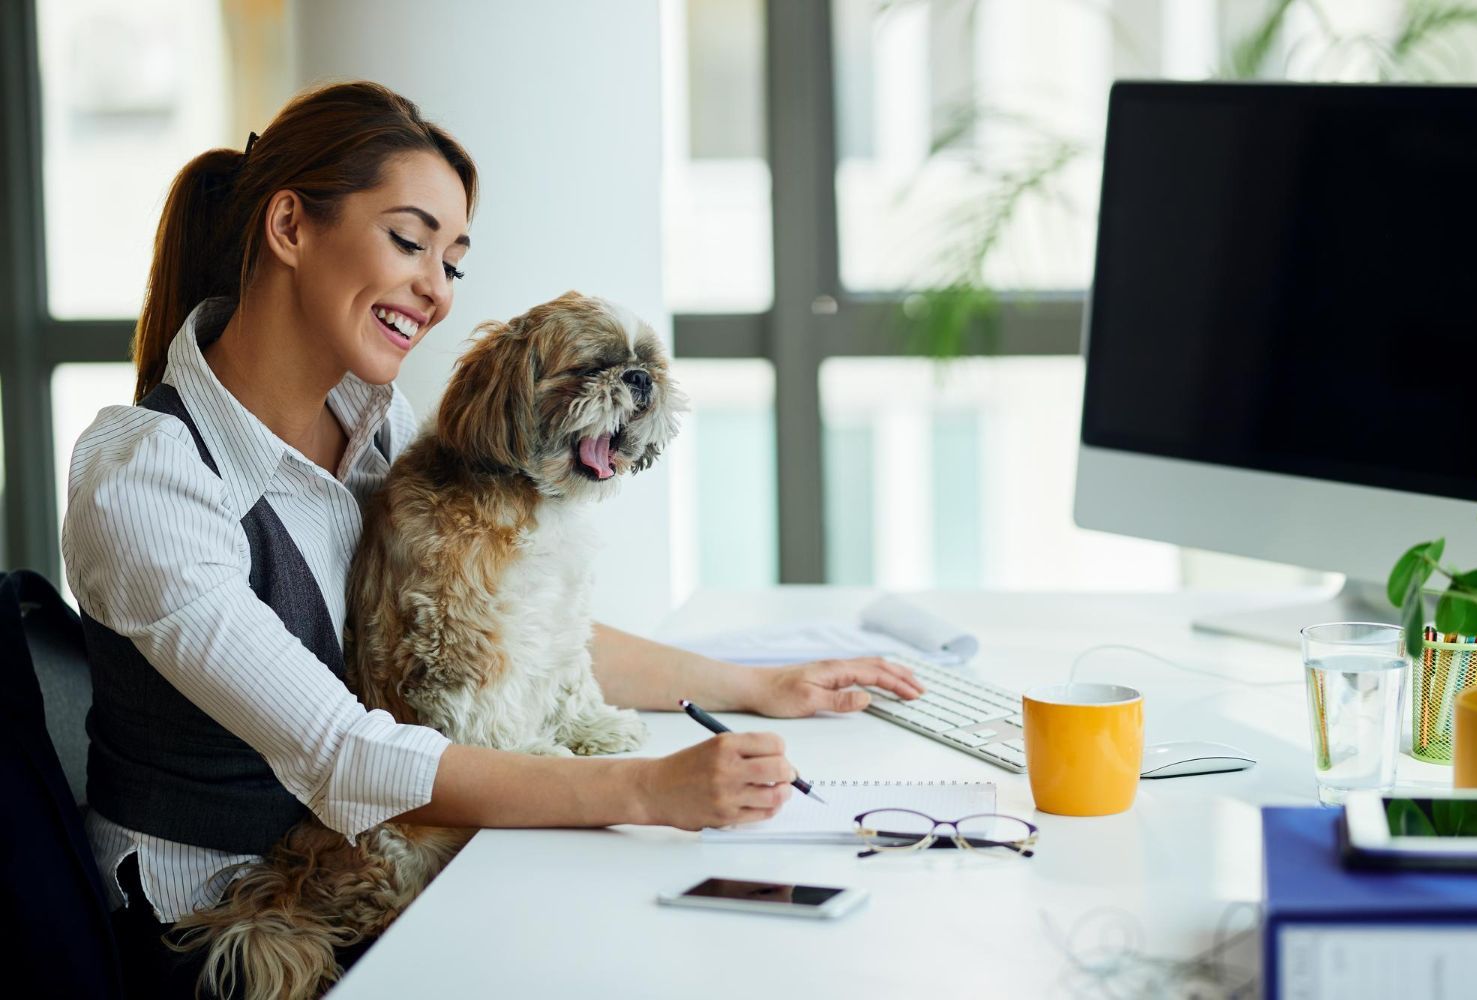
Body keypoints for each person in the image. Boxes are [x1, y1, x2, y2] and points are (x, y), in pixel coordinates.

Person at [59, 80, 923, 998]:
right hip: (231, 938)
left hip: (369, 875)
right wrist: (646, 792)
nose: (435, 290)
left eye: (453, 261)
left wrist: (758, 686)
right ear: (289, 227)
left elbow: (504, 635)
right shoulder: (149, 480)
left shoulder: (365, 431)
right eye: (409, 240)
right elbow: (344, 753)